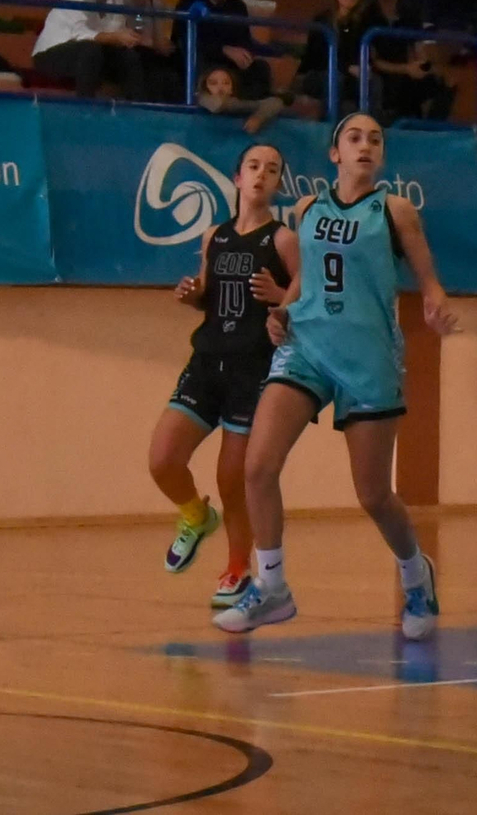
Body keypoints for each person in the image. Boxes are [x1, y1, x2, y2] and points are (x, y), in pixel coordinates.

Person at [213, 113, 459, 635]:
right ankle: (272, 587)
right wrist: (284, 310)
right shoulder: (308, 208)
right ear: (335, 153)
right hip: (307, 347)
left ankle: (417, 576)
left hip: (368, 358)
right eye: (354, 137)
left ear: (382, 156)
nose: (365, 145)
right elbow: (305, 277)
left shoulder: (394, 210)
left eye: (375, 139)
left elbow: (428, 279)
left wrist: (436, 302)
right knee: (257, 466)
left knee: (373, 495)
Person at [154, 144, 298, 608]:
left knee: (232, 480)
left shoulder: (282, 240)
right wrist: (193, 294)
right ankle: (196, 517)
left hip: (251, 368)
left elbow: (306, 292)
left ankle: (238, 568)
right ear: (237, 178)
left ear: (278, 184)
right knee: (162, 459)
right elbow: (208, 293)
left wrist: (280, 296)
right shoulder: (214, 235)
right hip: (207, 361)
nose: (261, 175)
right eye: (254, 166)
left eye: (271, 170)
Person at [30, 0, 148, 99]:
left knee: (130, 56)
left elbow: (119, 33)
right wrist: (117, 37)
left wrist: (129, 37)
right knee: (90, 49)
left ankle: (136, 106)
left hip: (94, 53)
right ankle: (85, 107)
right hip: (52, 53)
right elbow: (80, 32)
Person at [172, 0, 274, 100]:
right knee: (198, 60)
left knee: (260, 68)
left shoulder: (238, 6)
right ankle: (204, 101)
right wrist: (223, 49)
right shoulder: (189, 1)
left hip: (229, 62)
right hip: (202, 58)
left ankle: (249, 105)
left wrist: (245, 54)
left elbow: (244, 38)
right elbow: (182, 38)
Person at [107, 0, 178, 102]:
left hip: (148, 50)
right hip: (122, 48)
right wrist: (149, 42)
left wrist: (161, 44)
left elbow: (158, 37)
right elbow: (115, 29)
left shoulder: (156, 2)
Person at [298, 0, 374, 116]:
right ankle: (330, 124)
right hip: (318, 73)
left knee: (375, 82)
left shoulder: (362, 24)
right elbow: (317, 56)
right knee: (336, 79)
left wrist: (365, 68)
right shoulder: (322, 20)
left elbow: (362, 54)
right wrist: (347, 67)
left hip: (349, 76)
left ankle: (370, 124)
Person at [197, 65, 288, 134]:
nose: (220, 87)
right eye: (213, 83)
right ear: (205, 86)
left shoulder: (238, 102)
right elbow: (216, 105)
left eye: (226, 83)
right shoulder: (201, 98)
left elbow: (276, 102)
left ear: (232, 88)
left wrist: (257, 118)